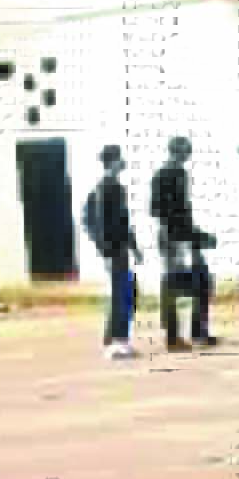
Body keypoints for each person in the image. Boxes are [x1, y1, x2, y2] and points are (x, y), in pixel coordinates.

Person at [149, 139, 217, 351]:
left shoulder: (176, 174)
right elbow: (159, 210)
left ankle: (195, 332)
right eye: (186, 152)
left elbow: (178, 213)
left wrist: (196, 234)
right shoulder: (168, 174)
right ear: (178, 152)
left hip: (181, 236)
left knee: (200, 281)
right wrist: (182, 236)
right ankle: (176, 337)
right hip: (174, 238)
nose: (188, 156)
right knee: (177, 285)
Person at [87, 142, 140, 357]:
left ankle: (113, 337)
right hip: (114, 250)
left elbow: (123, 222)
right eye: (120, 157)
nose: (123, 161)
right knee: (123, 293)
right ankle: (118, 342)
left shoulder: (116, 187)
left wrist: (134, 247)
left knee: (126, 291)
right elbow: (99, 222)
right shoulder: (106, 187)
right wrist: (106, 253)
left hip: (120, 248)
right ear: (112, 161)